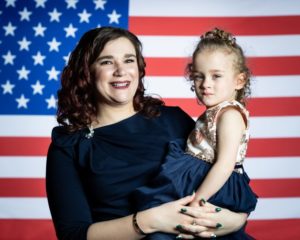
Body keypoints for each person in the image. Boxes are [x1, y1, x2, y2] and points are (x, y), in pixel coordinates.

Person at [46, 26, 249, 240]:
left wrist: (237, 220)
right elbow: (73, 235)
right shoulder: (69, 146)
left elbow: (228, 175)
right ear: (87, 72)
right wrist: (149, 221)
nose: (121, 71)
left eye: (129, 60)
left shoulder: (173, 119)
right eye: (107, 62)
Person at [133, 28, 258, 239]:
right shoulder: (215, 111)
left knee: (192, 226)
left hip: (213, 184)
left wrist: (197, 201)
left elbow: (225, 164)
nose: (205, 84)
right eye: (199, 76)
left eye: (216, 76)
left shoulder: (230, 115)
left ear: (239, 80)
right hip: (195, 175)